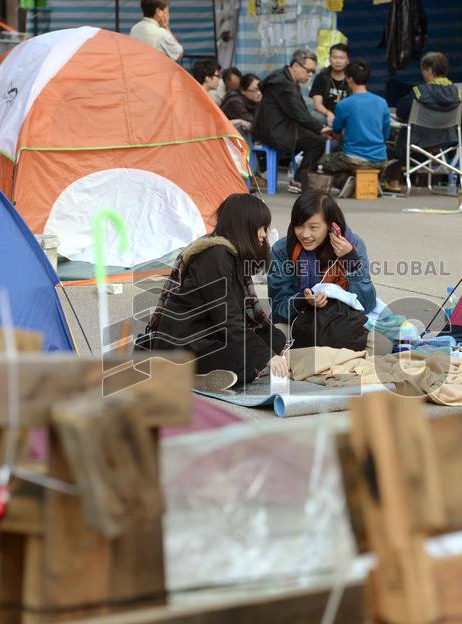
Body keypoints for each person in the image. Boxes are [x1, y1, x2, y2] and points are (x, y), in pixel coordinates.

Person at [138, 194, 288, 389]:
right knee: (248, 358)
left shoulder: (231, 255)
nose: (264, 234)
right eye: (261, 227)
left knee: (274, 337)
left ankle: (212, 372)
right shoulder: (215, 256)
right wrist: (267, 356)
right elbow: (228, 318)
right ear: (244, 226)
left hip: (210, 337)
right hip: (185, 344)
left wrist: (266, 352)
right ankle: (186, 374)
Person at [269, 190, 376, 352]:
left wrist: (350, 260)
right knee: (275, 338)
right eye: (299, 226)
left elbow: (366, 304)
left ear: (331, 226)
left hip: (342, 323)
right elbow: (278, 310)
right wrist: (304, 301)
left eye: (313, 227)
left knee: (381, 343)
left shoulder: (352, 245)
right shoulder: (283, 250)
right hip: (300, 324)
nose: (305, 234)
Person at [384, 51, 462, 192]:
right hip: (447, 140)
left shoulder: (419, 91)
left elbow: (402, 111)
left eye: (423, 70)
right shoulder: (457, 92)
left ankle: (394, 182)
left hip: (418, 141)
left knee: (401, 133)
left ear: (429, 70)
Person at [254, 50, 327, 194]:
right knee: (317, 141)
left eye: (313, 71)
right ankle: (299, 180)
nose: (310, 75)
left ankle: (299, 177)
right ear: (295, 66)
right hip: (274, 131)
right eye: (309, 70)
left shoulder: (286, 80)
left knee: (315, 134)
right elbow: (300, 115)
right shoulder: (283, 84)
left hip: (279, 127)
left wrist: (318, 127)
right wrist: (321, 129)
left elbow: (301, 113)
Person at [318, 58, 391, 179]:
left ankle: (347, 184)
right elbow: (386, 135)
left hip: (353, 159)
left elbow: (336, 132)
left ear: (349, 78)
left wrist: (341, 140)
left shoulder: (344, 104)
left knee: (324, 161)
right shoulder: (382, 102)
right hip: (381, 160)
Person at [310, 43, 350, 127]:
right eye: (334, 57)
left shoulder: (352, 77)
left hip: (347, 116)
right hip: (325, 115)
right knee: (313, 116)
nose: (338, 61)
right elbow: (317, 105)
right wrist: (329, 114)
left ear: (347, 61)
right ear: (329, 58)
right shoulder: (321, 77)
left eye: (342, 58)